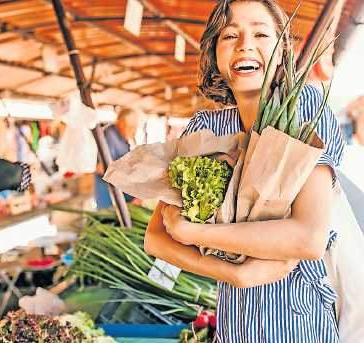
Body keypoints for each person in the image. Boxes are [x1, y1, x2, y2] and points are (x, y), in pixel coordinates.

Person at [144, 1, 344, 342]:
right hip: (234, 322)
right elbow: (157, 238)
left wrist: (195, 234)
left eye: (261, 33)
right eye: (229, 35)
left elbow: (308, 238)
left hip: (298, 322)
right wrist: (233, 274)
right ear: (215, 54)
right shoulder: (204, 127)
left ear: (282, 51)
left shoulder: (305, 108)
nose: (245, 44)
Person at [95, 107, 139, 208]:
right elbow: (100, 168)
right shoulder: (109, 135)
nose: (134, 131)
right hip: (108, 195)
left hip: (120, 193)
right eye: (132, 127)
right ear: (121, 123)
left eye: (135, 127)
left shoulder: (123, 138)